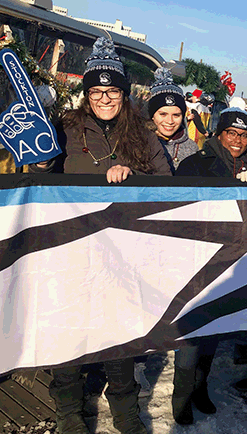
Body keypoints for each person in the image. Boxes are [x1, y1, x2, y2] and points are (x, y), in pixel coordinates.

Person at [42, 37, 172, 434]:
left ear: (123, 92)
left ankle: (125, 411)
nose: (103, 98)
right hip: (71, 246)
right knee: (68, 330)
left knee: (120, 335)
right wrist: (45, 161)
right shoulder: (64, 127)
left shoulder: (143, 134)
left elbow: (167, 186)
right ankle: (69, 410)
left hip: (123, 252)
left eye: (112, 90)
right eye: (96, 91)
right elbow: (39, 180)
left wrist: (133, 177)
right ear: (87, 93)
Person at [172, 97, 247, 423]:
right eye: (231, 133)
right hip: (197, 258)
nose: (238, 140)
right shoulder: (195, 164)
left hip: (230, 261)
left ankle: (200, 387)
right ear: (220, 133)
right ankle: (180, 395)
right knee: (192, 332)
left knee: (214, 330)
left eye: (243, 135)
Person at [148, 68, 198, 174]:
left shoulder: (192, 148)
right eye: (163, 114)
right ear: (152, 116)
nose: (170, 121)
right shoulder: (139, 142)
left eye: (176, 115)